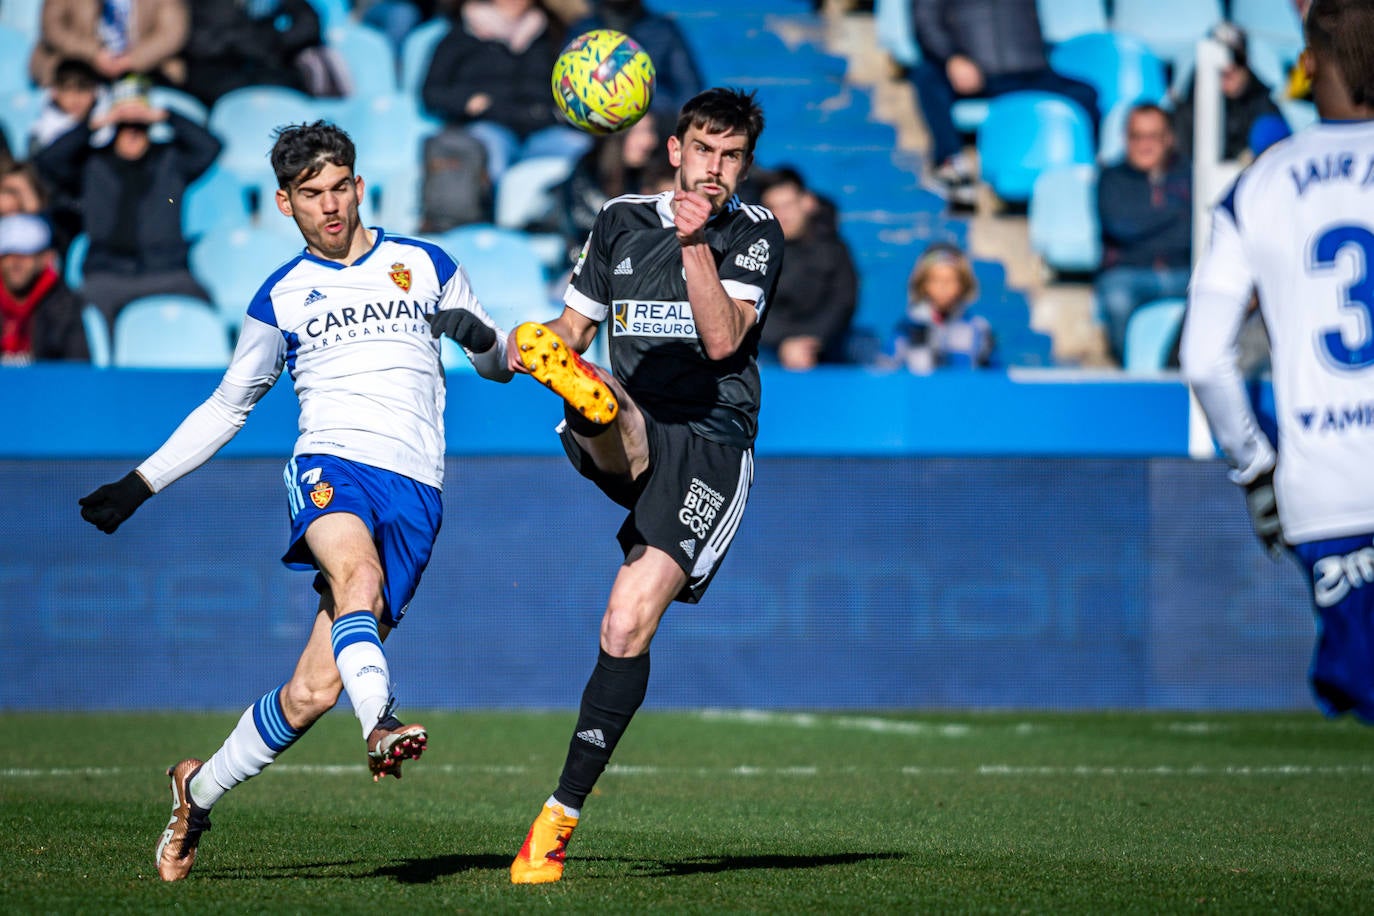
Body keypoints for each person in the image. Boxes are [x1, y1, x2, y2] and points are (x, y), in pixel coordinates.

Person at [76, 120, 514, 880]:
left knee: (311, 692)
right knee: (358, 579)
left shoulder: (426, 263)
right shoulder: (279, 296)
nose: (331, 206)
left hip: (415, 488)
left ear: (359, 185)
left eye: (340, 187)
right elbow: (227, 406)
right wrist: (140, 483)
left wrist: (478, 336)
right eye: (311, 194)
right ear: (284, 203)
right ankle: (380, 722)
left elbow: (500, 363)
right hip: (329, 465)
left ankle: (196, 791)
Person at [501, 87, 783, 884]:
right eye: (704, 150)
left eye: (731, 156)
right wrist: (530, 349)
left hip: (712, 447)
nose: (715, 168)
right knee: (592, 387)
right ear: (675, 151)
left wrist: (697, 243)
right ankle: (585, 402)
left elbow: (726, 342)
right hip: (637, 426)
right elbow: (574, 332)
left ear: (744, 165)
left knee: (625, 625)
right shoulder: (620, 218)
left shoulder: (754, 232)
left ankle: (555, 825)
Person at [1180, 0, 1374, 724]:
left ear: (1316, 63)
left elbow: (1204, 359)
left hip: (1326, 487)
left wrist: (1257, 469)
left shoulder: (1261, 184)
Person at [32, 79, 221, 326]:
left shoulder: (171, 160)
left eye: (139, 125)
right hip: (107, 272)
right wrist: (92, 124)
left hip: (166, 270)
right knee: (81, 310)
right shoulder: (93, 163)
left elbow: (211, 147)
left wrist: (164, 116)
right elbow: (47, 161)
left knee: (201, 305)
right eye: (124, 125)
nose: (132, 132)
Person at [907, 0, 1099, 208]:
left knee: (1085, 94)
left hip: (1030, 70)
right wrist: (952, 58)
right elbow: (925, 20)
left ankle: (1088, 172)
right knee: (927, 78)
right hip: (975, 73)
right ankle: (951, 165)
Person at [421, 0, 591, 183]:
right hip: (490, 126)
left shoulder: (550, 34)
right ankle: (488, 209)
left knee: (580, 147)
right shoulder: (460, 35)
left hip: (541, 128)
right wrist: (466, 102)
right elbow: (431, 92)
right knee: (489, 151)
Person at [1094, 103, 1192, 365]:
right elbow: (1121, 227)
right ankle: (1130, 369)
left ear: (1168, 138)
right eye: (1137, 136)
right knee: (1117, 299)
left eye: (1153, 136)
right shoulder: (1111, 178)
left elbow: (1193, 232)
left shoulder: (1190, 174)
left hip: (1184, 271)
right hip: (1129, 274)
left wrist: (1149, 221)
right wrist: (1176, 212)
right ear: (1126, 139)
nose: (1144, 145)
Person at [755, 166, 857, 369]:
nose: (782, 214)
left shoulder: (833, 247)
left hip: (824, 344)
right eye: (774, 207)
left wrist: (811, 341)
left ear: (806, 202)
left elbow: (843, 301)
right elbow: (750, 307)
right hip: (769, 346)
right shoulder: (755, 249)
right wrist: (784, 343)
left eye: (788, 205)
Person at [568, 0, 704, 124]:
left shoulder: (663, 30)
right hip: (594, 124)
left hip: (653, 121)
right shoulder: (582, 31)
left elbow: (688, 88)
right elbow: (564, 88)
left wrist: (657, 122)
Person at [555, 110, 663, 263]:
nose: (651, 140)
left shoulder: (650, 180)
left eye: (651, 130)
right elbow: (575, 246)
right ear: (617, 135)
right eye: (639, 132)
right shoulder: (583, 177)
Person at [1173, 21, 1286, 164]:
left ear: (1247, 62)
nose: (1229, 69)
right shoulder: (1187, 113)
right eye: (1219, 64)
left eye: (1237, 59)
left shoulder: (1265, 108)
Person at [181, 0, 327, 106]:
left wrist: (277, 41)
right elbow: (197, 43)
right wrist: (242, 41)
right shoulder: (201, 6)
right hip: (217, 76)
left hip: (270, 70)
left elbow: (309, 22)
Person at [29, 0, 189, 88]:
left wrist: (132, 60)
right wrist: (94, 54)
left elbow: (172, 32)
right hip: (80, 67)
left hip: (142, 70)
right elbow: (52, 27)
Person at [890, 242, 992, 373]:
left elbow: (993, 378)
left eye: (950, 280)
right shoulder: (907, 328)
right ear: (923, 284)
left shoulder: (979, 329)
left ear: (963, 284)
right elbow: (887, 371)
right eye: (935, 280)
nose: (942, 287)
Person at [0, 213, 89, 364]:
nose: (15, 264)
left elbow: (76, 368)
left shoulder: (65, 305)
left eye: (25, 254)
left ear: (45, 258)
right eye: (8, 255)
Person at [27, 58, 105, 156]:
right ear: (54, 92)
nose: (76, 99)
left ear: (95, 92)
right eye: (68, 90)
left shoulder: (108, 127)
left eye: (83, 90)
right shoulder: (41, 134)